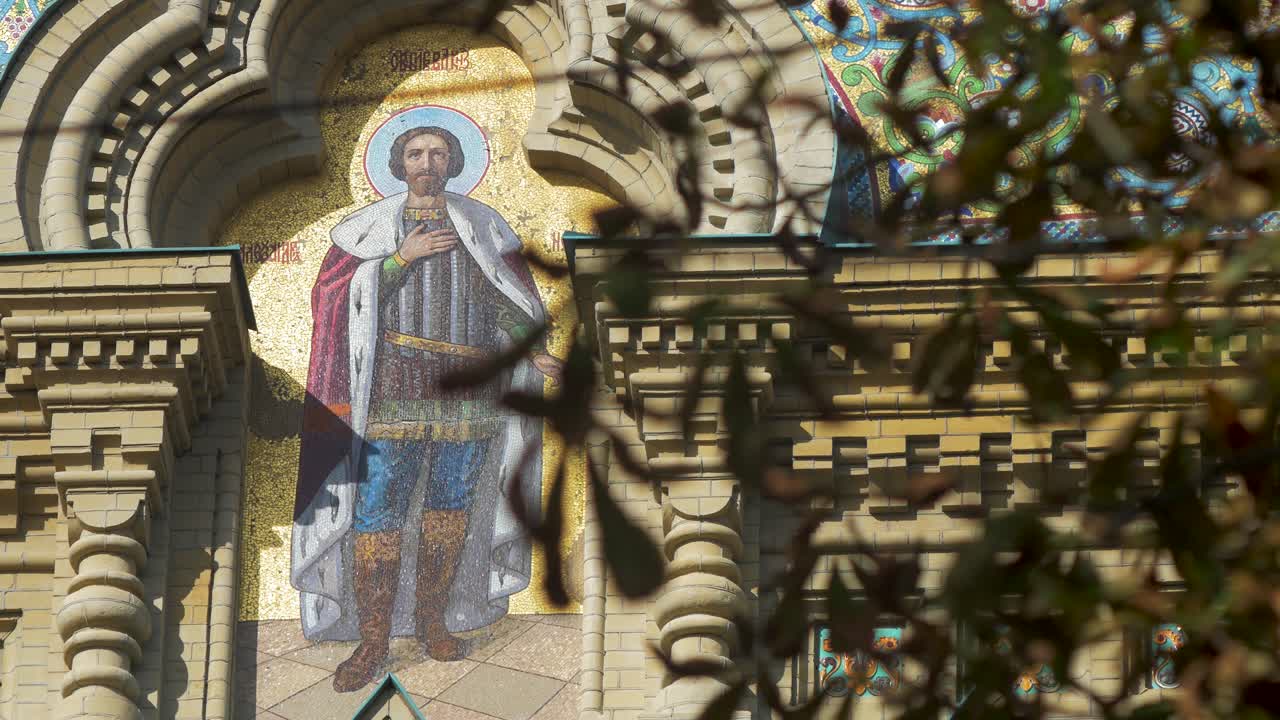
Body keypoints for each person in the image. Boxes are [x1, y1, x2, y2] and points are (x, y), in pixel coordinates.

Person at [290, 125, 562, 692]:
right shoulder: (364, 230)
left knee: (450, 506)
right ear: (398, 163)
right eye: (416, 153)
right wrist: (397, 259)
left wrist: (533, 351)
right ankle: (373, 641)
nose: (427, 163)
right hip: (391, 388)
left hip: (468, 390)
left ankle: (432, 621)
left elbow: (501, 298)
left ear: (454, 161)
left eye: (438, 153)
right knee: (378, 513)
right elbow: (334, 304)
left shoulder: (480, 227)